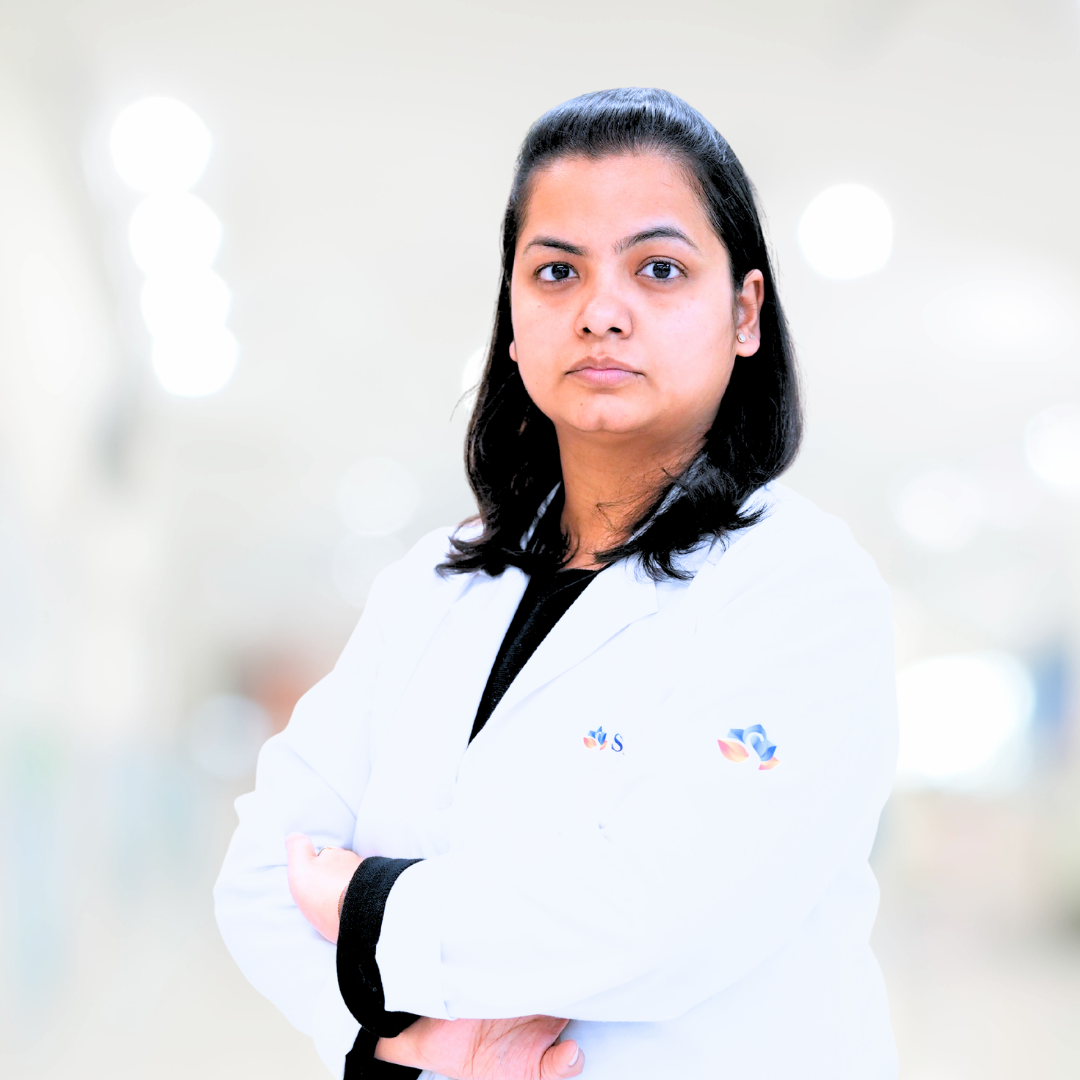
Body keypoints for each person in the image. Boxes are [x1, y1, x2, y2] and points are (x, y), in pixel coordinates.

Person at [214, 87, 899, 1080]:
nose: (600, 312)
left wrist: (370, 906)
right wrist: (406, 1038)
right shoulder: (432, 587)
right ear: (513, 315)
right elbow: (260, 874)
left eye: (659, 270)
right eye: (556, 272)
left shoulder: (801, 587)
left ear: (745, 313)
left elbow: (665, 913)